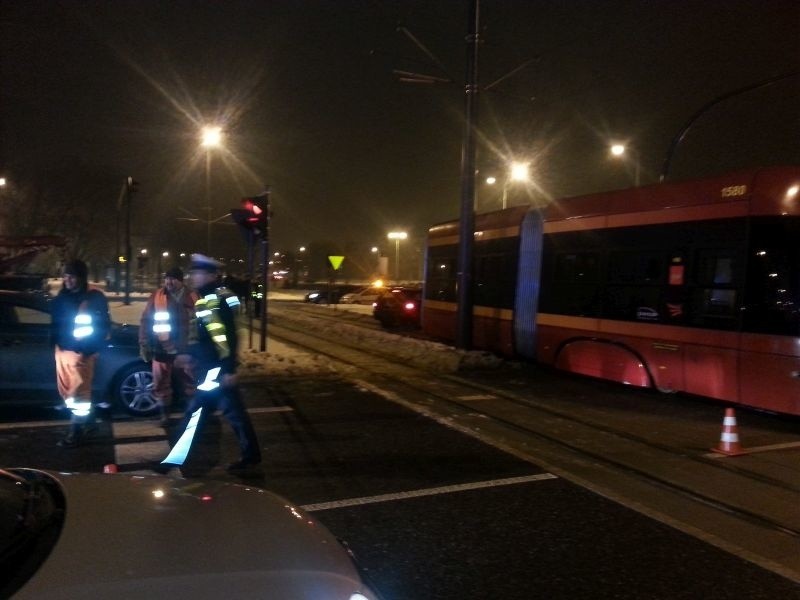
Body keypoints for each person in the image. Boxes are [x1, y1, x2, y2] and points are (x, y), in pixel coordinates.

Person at [158, 253, 261, 475]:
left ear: (211, 275)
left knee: (196, 412)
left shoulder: (216, 298)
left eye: (198, 273)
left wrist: (229, 368)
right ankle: (251, 455)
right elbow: (208, 337)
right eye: (193, 272)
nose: (193, 276)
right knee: (232, 412)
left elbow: (228, 336)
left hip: (216, 369)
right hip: (212, 366)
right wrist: (192, 356)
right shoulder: (206, 297)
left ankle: (174, 459)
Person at [50, 259, 111, 448]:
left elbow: (103, 326)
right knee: (67, 392)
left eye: (72, 276)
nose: (68, 280)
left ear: (81, 277)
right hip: (62, 351)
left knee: (78, 394)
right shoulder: (61, 297)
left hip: (81, 353)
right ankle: (90, 423)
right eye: (65, 276)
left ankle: (75, 432)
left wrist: (89, 349)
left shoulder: (94, 298)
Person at [138, 266, 198, 427]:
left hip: (186, 349)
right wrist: (143, 342)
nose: (169, 282)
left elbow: (202, 323)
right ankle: (165, 416)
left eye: (173, 279)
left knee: (190, 382)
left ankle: (192, 415)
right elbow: (145, 320)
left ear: (181, 281)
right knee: (161, 383)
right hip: (162, 347)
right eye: (167, 278)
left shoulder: (193, 296)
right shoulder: (157, 296)